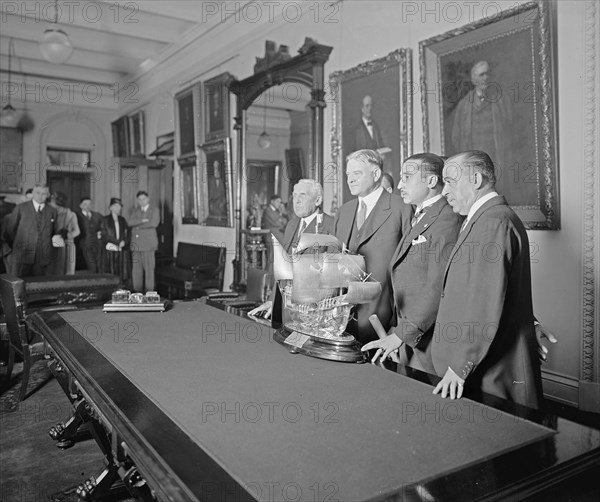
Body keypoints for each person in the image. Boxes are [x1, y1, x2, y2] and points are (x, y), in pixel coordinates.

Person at [431, 150, 543, 409]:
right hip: (482, 362)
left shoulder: (493, 223)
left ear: (476, 179)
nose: (444, 191)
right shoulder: (484, 219)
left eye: (450, 181)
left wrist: (461, 366)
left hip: (490, 368)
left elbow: (484, 301)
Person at [361, 153, 463, 370]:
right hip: (411, 336)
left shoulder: (448, 218)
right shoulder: (421, 215)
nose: (399, 184)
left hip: (431, 339)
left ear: (432, 181)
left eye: (407, 177)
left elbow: (437, 287)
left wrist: (401, 335)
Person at [334, 149, 412, 345]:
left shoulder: (402, 207)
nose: (350, 180)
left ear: (376, 174)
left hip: (385, 320)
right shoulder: (344, 211)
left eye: (357, 174)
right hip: (344, 321)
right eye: (348, 175)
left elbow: (411, 266)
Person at [248, 179, 335, 319]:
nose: (296, 200)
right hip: (286, 310)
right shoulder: (292, 225)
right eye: (294, 195)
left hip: (312, 314)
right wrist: (272, 301)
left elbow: (332, 279)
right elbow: (285, 270)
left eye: (303, 195)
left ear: (317, 200)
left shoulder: (331, 226)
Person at [449, 61, 511, 171]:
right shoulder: (464, 106)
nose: (485, 78)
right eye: (481, 75)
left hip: (497, 159)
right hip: (474, 162)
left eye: (487, 74)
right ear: (474, 80)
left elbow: (511, 131)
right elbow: (456, 138)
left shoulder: (501, 101)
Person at [4, 183, 64, 277]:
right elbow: (10, 230)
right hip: (22, 254)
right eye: (38, 193)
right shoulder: (21, 208)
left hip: (42, 256)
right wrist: (17, 245)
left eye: (44, 194)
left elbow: (55, 231)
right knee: (19, 284)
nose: (40, 196)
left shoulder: (52, 211)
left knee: (39, 285)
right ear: (33, 193)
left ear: (48, 195)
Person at [128, 191, 160, 292]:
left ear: (148, 199)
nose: (142, 201)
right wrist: (142, 221)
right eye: (140, 199)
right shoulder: (136, 210)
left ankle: (149, 293)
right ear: (137, 200)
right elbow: (129, 222)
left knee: (149, 271)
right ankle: (137, 293)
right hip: (136, 244)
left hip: (148, 244)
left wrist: (137, 226)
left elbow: (153, 223)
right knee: (136, 271)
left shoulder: (154, 210)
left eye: (144, 199)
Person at [47, 192, 80, 275]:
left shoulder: (71, 214)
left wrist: (67, 235)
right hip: (51, 245)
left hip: (68, 245)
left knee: (67, 272)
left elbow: (77, 231)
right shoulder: (48, 213)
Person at [100, 198, 130, 287]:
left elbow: (128, 233)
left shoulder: (122, 220)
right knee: (110, 269)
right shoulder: (104, 219)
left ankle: (120, 287)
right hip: (110, 249)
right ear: (110, 207)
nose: (117, 208)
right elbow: (104, 235)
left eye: (119, 206)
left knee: (121, 270)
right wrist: (117, 242)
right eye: (115, 206)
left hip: (121, 248)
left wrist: (124, 242)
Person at [75, 196, 102, 272]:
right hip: (84, 245)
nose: (88, 206)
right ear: (80, 205)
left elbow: (102, 228)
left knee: (99, 266)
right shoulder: (76, 216)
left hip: (97, 245)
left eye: (89, 204)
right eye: (85, 204)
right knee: (92, 266)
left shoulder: (97, 216)